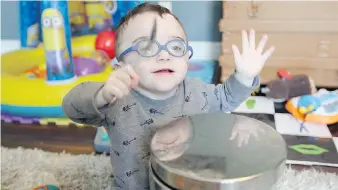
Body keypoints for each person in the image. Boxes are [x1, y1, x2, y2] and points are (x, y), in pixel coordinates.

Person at [62, 3, 275, 189]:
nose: (164, 55)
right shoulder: (115, 99)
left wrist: (245, 77)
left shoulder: (197, 92)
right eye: (147, 47)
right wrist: (100, 96)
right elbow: (71, 108)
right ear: (121, 67)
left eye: (175, 47)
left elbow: (226, 97)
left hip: (186, 184)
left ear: (186, 59)